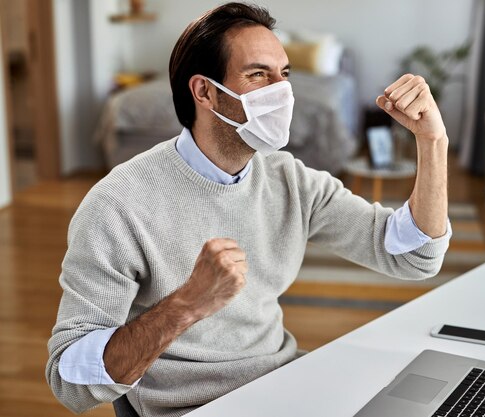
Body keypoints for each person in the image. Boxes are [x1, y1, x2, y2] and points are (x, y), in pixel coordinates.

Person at [46, 3, 451, 417]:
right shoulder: (118, 204)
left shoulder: (288, 179)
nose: (283, 91)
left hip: (283, 383)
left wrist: (433, 141)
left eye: (286, 74)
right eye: (259, 75)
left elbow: (414, 256)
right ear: (204, 91)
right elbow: (69, 381)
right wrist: (187, 304)